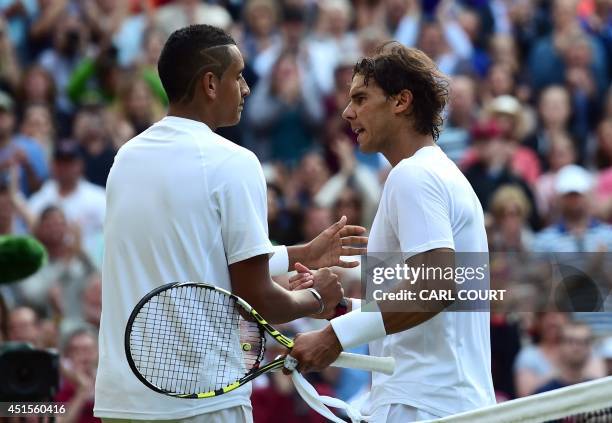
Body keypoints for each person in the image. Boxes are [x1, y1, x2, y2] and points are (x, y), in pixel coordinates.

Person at [94, 24, 365, 423]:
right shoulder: (234, 162)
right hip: (202, 400)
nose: (246, 88)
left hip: (122, 400)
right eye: (238, 76)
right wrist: (320, 298)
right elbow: (259, 299)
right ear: (209, 83)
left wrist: (300, 254)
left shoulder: (126, 159)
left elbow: (192, 256)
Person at [286, 42, 496, 422]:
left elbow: (434, 288)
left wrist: (334, 337)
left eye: (361, 98)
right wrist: (341, 309)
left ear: (400, 102)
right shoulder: (439, 173)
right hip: (441, 401)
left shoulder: (413, 175)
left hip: (424, 406)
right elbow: (421, 311)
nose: (348, 113)